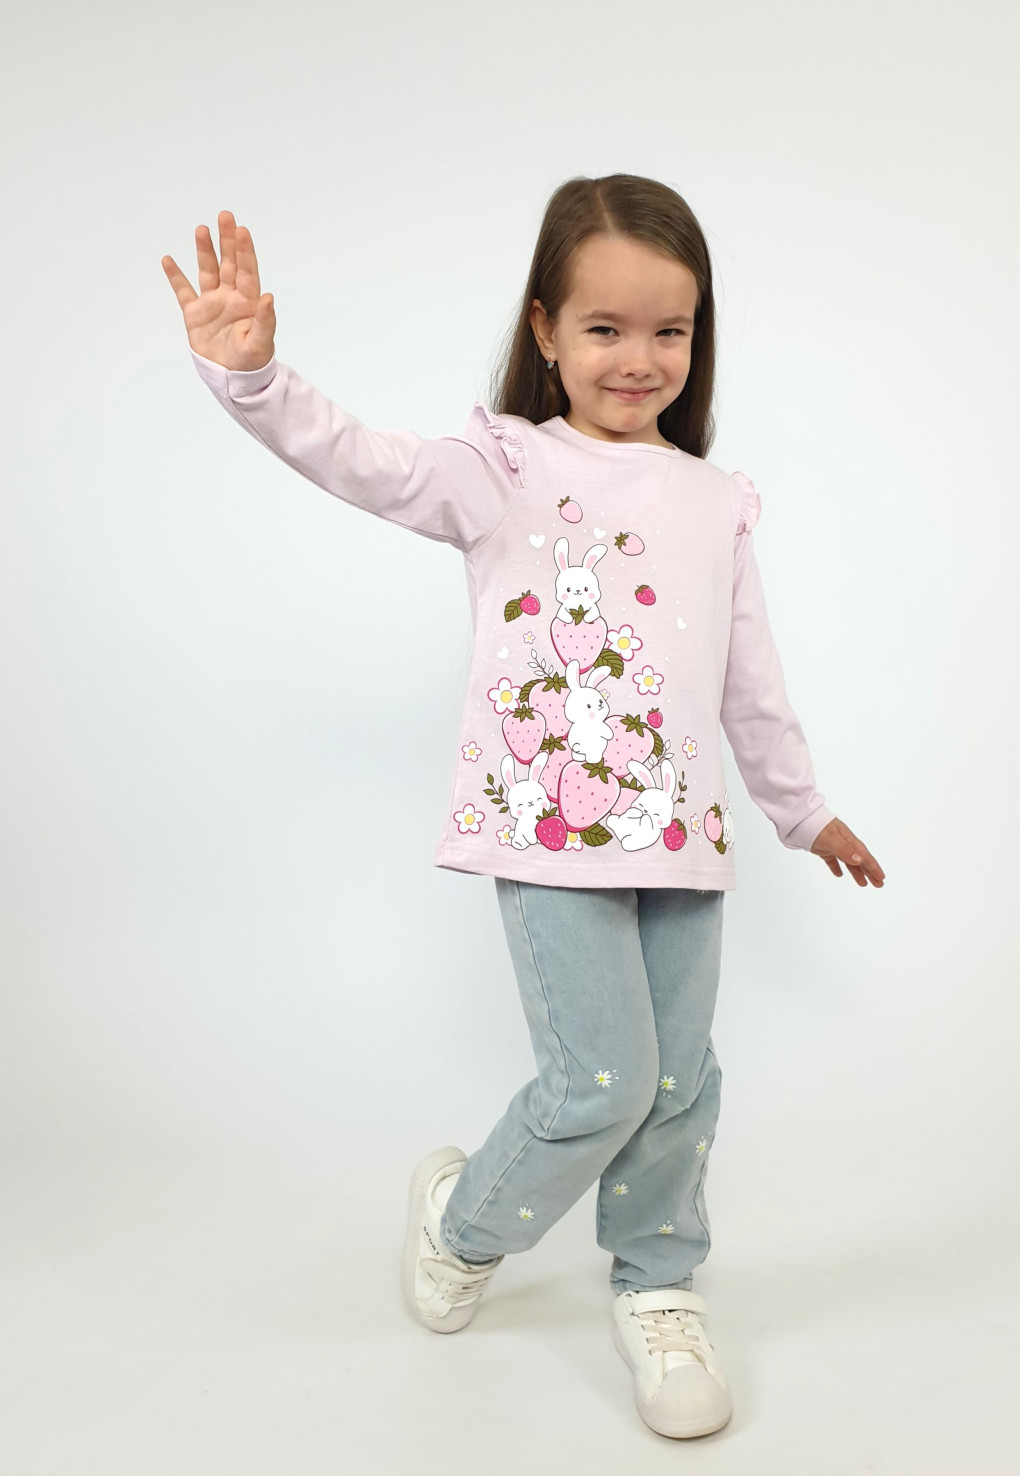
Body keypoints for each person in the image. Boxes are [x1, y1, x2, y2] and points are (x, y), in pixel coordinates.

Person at [162, 180, 884, 1441]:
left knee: (677, 1085)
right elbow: (368, 465)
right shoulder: (502, 467)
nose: (638, 358)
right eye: (604, 328)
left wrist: (801, 810)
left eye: (669, 330)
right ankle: (461, 1225)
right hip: (547, 837)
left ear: (698, 335)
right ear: (545, 329)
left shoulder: (715, 500)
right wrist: (255, 380)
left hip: (683, 844)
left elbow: (748, 683)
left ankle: (657, 1285)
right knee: (602, 1081)